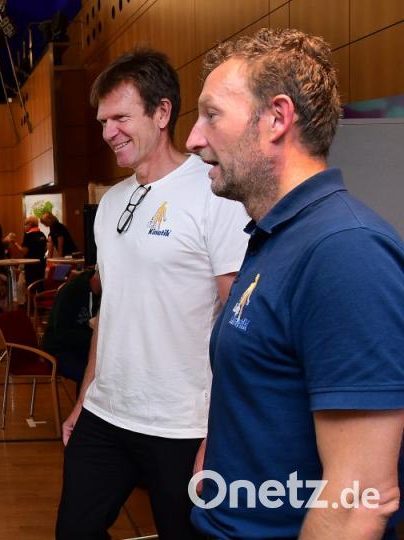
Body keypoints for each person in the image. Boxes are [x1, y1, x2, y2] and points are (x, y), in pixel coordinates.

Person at [185, 28, 404, 539]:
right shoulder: (279, 235)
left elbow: (358, 500)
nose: (194, 138)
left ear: (277, 119)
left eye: (211, 114)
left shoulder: (345, 251)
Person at [55, 48, 250, 540]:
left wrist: (222, 431)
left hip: (183, 426)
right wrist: (83, 398)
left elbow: (238, 319)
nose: (107, 132)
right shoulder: (110, 203)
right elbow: (110, 311)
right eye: (102, 121)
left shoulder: (214, 194)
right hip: (105, 413)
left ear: (162, 113)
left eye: (121, 117)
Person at [41, 269, 94, 396]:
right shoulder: (71, 292)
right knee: (89, 374)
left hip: (80, 346)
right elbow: (61, 334)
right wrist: (93, 337)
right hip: (58, 350)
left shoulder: (98, 293)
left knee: (103, 370)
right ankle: (82, 412)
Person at [4, 215, 48, 288]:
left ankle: (30, 299)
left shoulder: (28, 236)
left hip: (31, 265)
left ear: (30, 225)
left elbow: (24, 251)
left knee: (31, 286)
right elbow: (45, 249)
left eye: (25, 224)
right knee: (40, 284)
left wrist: (14, 242)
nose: (24, 227)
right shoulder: (42, 234)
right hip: (41, 263)